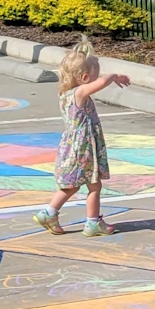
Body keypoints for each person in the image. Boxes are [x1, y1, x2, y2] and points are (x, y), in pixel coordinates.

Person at [33, 38, 129, 237]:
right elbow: (102, 83)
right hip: (83, 149)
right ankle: (92, 223)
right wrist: (113, 76)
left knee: (72, 185)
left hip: (75, 147)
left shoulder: (66, 93)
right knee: (94, 185)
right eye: (94, 75)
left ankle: (49, 213)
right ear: (85, 77)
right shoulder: (79, 93)